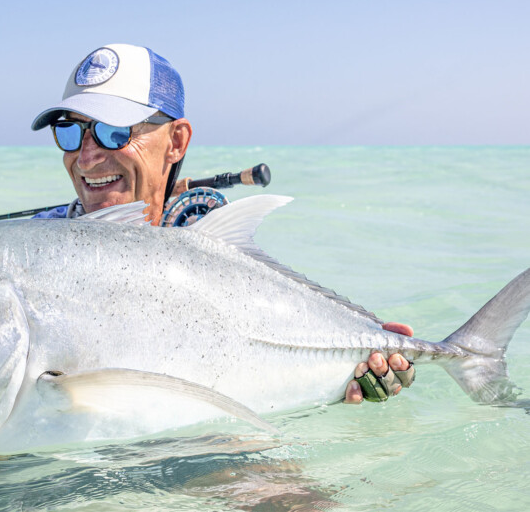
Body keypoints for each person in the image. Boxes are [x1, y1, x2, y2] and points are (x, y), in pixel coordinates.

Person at [31, 43, 415, 404]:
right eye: (69, 131)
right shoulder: (35, 246)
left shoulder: (212, 238)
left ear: (176, 141)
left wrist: (355, 369)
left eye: (114, 132)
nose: (85, 158)